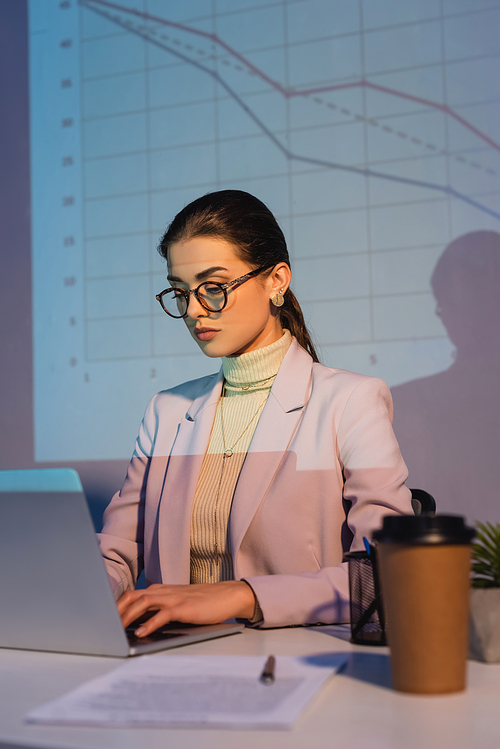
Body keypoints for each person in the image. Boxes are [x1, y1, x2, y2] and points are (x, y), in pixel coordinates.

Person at [98, 189, 412, 637]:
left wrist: (242, 595)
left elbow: (388, 575)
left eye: (214, 288)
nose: (193, 311)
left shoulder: (351, 401)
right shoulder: (165, 411)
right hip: (171, 656)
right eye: (181, 292)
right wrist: (80, 593)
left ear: (276, 281)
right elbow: (117, 550)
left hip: (290, 660)